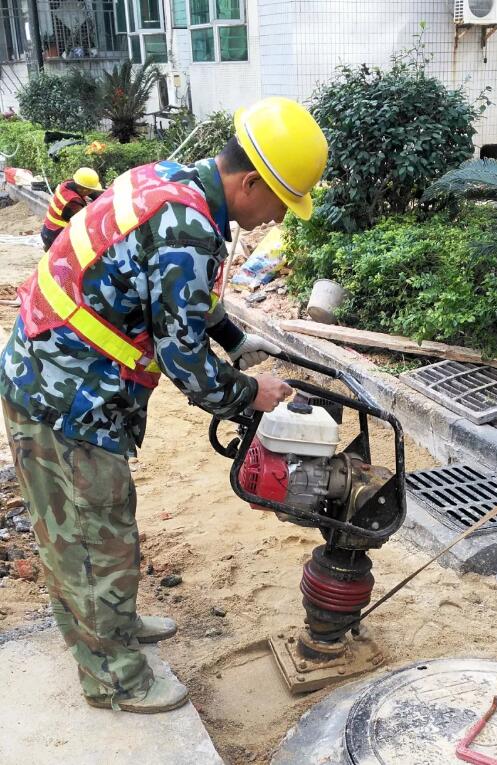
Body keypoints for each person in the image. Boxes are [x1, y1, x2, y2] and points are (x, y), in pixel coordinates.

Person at [0, 97, 328, 713]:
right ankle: (116, 680)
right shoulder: (191, 228)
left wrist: (234, 337)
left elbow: (172, 294)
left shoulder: (170, 181)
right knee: (91, 540)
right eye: (280, 203)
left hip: (58, 373)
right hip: (63, 396)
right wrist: (250, 393)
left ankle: (116, 627)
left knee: (107, 524)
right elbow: (187, 366)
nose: (274, 219)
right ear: (249, 182)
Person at [40, 166, 105, 250]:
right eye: (90, 189)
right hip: (56, 236)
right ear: (84, 190)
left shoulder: (68, 184)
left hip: (47, 230)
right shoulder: (73, 203)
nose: (92, 191)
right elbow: (86, 220)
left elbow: (94, 193)